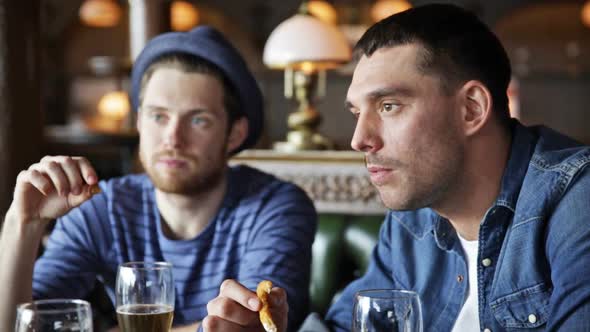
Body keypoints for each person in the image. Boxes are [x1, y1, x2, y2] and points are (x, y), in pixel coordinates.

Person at [210, 3, 590, 332]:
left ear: (471, 108)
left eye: (389, 106)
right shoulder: (413, 221)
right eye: (358, 112)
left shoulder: (575, 201)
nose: (360, 139)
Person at [0, 26, 316, 332]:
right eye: (158, 116)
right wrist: (23, 224)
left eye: (198, 120)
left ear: (234, 134)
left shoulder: (275, 206)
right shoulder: (102, 207)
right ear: (139, 122)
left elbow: (250, 327)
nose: (173, 138)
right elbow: (18, 325)